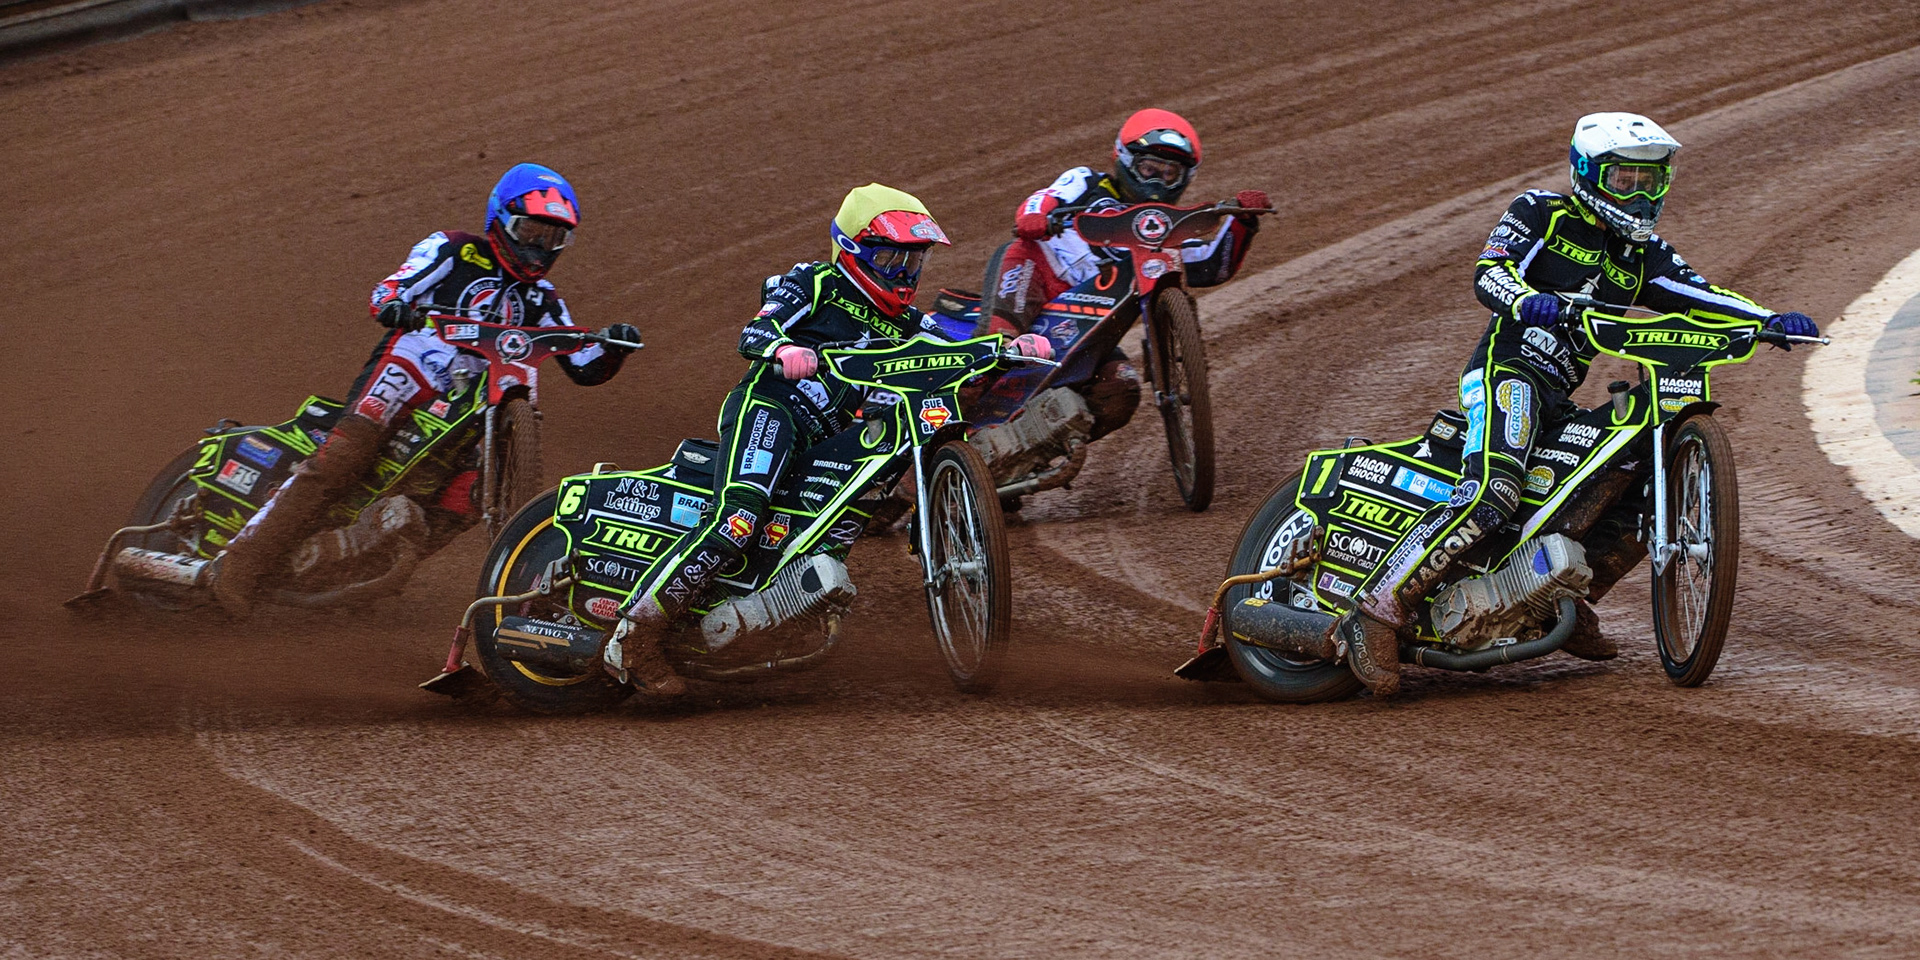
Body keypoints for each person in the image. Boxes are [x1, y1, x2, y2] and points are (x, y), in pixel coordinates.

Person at [1332, 112, 1821, 697]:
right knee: (1494, 493)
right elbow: (1489, 272)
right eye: (1625, 180)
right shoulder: (1540, 211)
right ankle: (1376, 612)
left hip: (1558, 397)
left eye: (1650, 180)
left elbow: (1700, 294)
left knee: (1643, 481)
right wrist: (1525, 300)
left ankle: (1564, 597)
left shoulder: (1641, 254)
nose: (1639, 194)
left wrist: (1767, 320)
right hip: (1505, 373)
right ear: (1588, 173)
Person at [609, 184, 1052, 695]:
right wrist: (782, 349)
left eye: (914, 262)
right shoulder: (814, 282)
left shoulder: (908, 323)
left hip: (826, 438)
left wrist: (1008, 346)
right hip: (774, 409)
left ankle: (758, 613)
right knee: (740, 518)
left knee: (836, 526)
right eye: (892, 258)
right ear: (855, 250)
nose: (905, 274)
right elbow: (755, 331)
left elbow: (954, 348)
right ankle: (636, 632)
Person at [211, 163, 640, 616]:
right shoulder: (455, 250)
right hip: (413, 366)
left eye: (553, 239)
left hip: (478, 403)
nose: (539, 248)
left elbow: (585, 366)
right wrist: (394, 305)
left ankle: (362, 566)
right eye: (532, 231)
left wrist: (616, 346)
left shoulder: (543, 298)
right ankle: (239, 564)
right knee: (345, 456)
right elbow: (392, 287)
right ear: (501, 219)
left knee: (467, 500)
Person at [979, 108, 1269, 438]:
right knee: (996, 354)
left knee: (1120, 389)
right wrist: (1037, 216)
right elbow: (1042, 199)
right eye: (1149, 168)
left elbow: (1208, 265)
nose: (1157, 181)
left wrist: (1243, 221)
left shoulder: (1166, 230)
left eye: (1169, 173)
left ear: (1185, 178)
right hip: (1038, 274)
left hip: (1088, 325)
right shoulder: (1086, 181)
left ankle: (1030, 452)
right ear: (1126, 160)